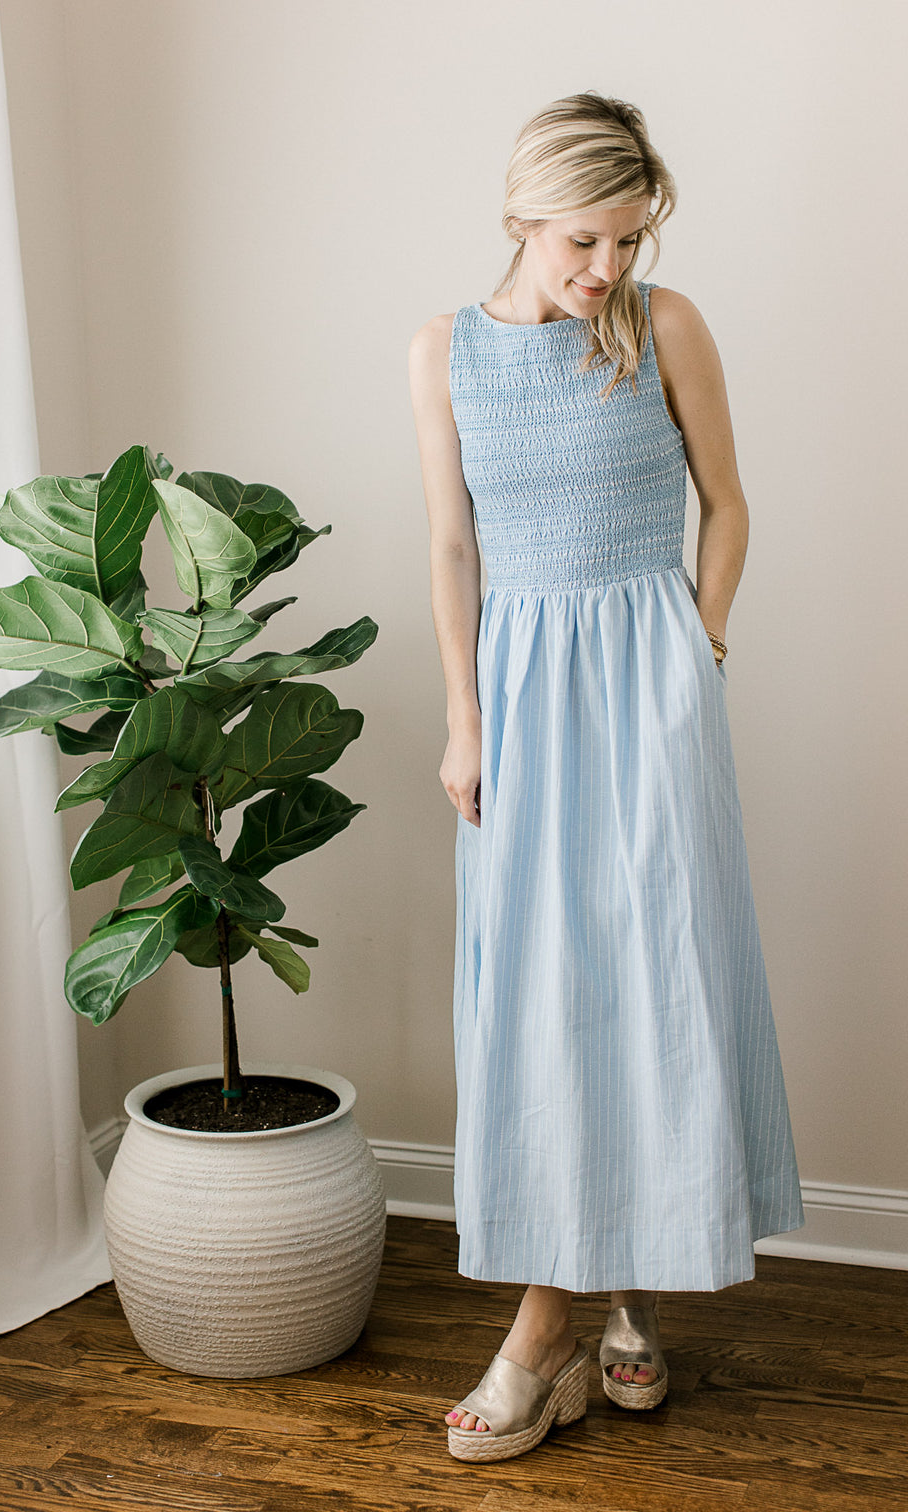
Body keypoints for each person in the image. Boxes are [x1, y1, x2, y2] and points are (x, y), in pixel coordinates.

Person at [407, 92, 806, 1465]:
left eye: (629, 241)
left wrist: (698, 645)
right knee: (540, 993)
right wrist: (463, 718)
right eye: (587, 239)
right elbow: (452, 548)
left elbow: (728, 499)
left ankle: (613, 1297)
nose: (606, 269)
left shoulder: (663, 324)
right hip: (517, 694)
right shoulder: (443, 352)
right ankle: (555, 1321)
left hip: (652, 681)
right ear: (524, 214)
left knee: (653, 975)